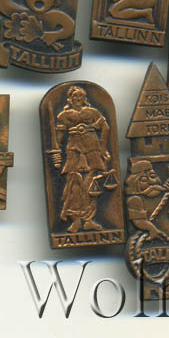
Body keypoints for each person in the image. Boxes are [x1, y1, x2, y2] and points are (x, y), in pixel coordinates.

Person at [48, 86, 110, 232]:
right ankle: (76, 221)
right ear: (70, 99)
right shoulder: (63, 115)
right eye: (75, 96)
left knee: (92, 184)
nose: (78, 99)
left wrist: (103, 148)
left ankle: (88, 220)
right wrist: (56, 148)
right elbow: (59, 136)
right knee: (74, 184)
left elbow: (106, 128)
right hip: (74, 150)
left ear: (84, 98)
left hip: (92, 149)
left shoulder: (93, 112)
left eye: (80, 96)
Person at [125, 160, 169, 246]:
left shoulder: (164, 194)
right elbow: (138, 221)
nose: (152, 182)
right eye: (144, 180)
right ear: (135, 183)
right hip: (151, 240)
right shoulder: (135, 199)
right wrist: (151, 228)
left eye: (153, 176)